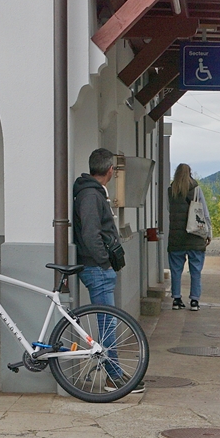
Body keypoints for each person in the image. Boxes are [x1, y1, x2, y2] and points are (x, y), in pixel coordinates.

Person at [72, 147, 135, 391]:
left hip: (97, 266)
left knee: (108, 322)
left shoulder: (92, 192)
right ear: (110, 170)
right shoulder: (91, 195)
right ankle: (113, 377)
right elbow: (90, 233)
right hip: (96, 267)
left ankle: (114, 373)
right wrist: (103, 261)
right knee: (108, 322)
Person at [167, 163, 208, 310]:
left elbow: (168, 211)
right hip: (194, 236)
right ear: (190, 173)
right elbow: (204, 212)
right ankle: (194, 301)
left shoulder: (171, 191)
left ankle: (176, 299)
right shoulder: (196, 190)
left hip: (176, 238)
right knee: (195, 270)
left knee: (176, 270)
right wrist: (208, 233)